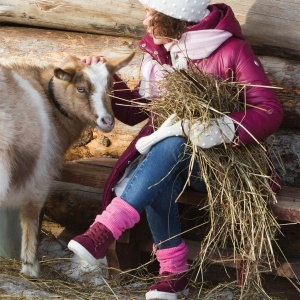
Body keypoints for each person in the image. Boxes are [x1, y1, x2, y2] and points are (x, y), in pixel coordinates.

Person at [68, 1, 283, 299]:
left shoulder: (230, 50)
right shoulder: (161, 55)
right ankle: (174, 273)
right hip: (171, 163)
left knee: (173, 142)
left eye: (152, 15)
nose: (145, 22)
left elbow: (269, 109)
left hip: (219, 163)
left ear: (176, 18)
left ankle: (106, 231)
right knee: (165, 162)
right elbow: (135, 113)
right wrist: (106, 78)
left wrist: (218, 128)